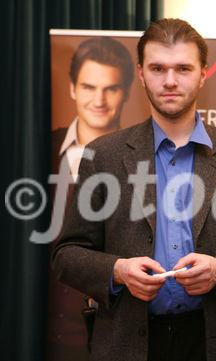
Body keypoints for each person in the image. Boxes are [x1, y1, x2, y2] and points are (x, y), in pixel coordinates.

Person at [52, 18, 216, 361]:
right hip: (126, 342)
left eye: (182, 68)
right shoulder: (103, 156)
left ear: (203, 73)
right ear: (140, 73)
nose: (169, 81)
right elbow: (67, 255)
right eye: (157, 68)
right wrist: (117, 271)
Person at [48, 37, 134, 361]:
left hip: (110, 335)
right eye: (88, 87)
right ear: (72, 88)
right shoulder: (35, 149)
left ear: (126, 91)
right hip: (44, 331)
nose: (98, 99)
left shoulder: (142, 162)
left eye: (111, 88)